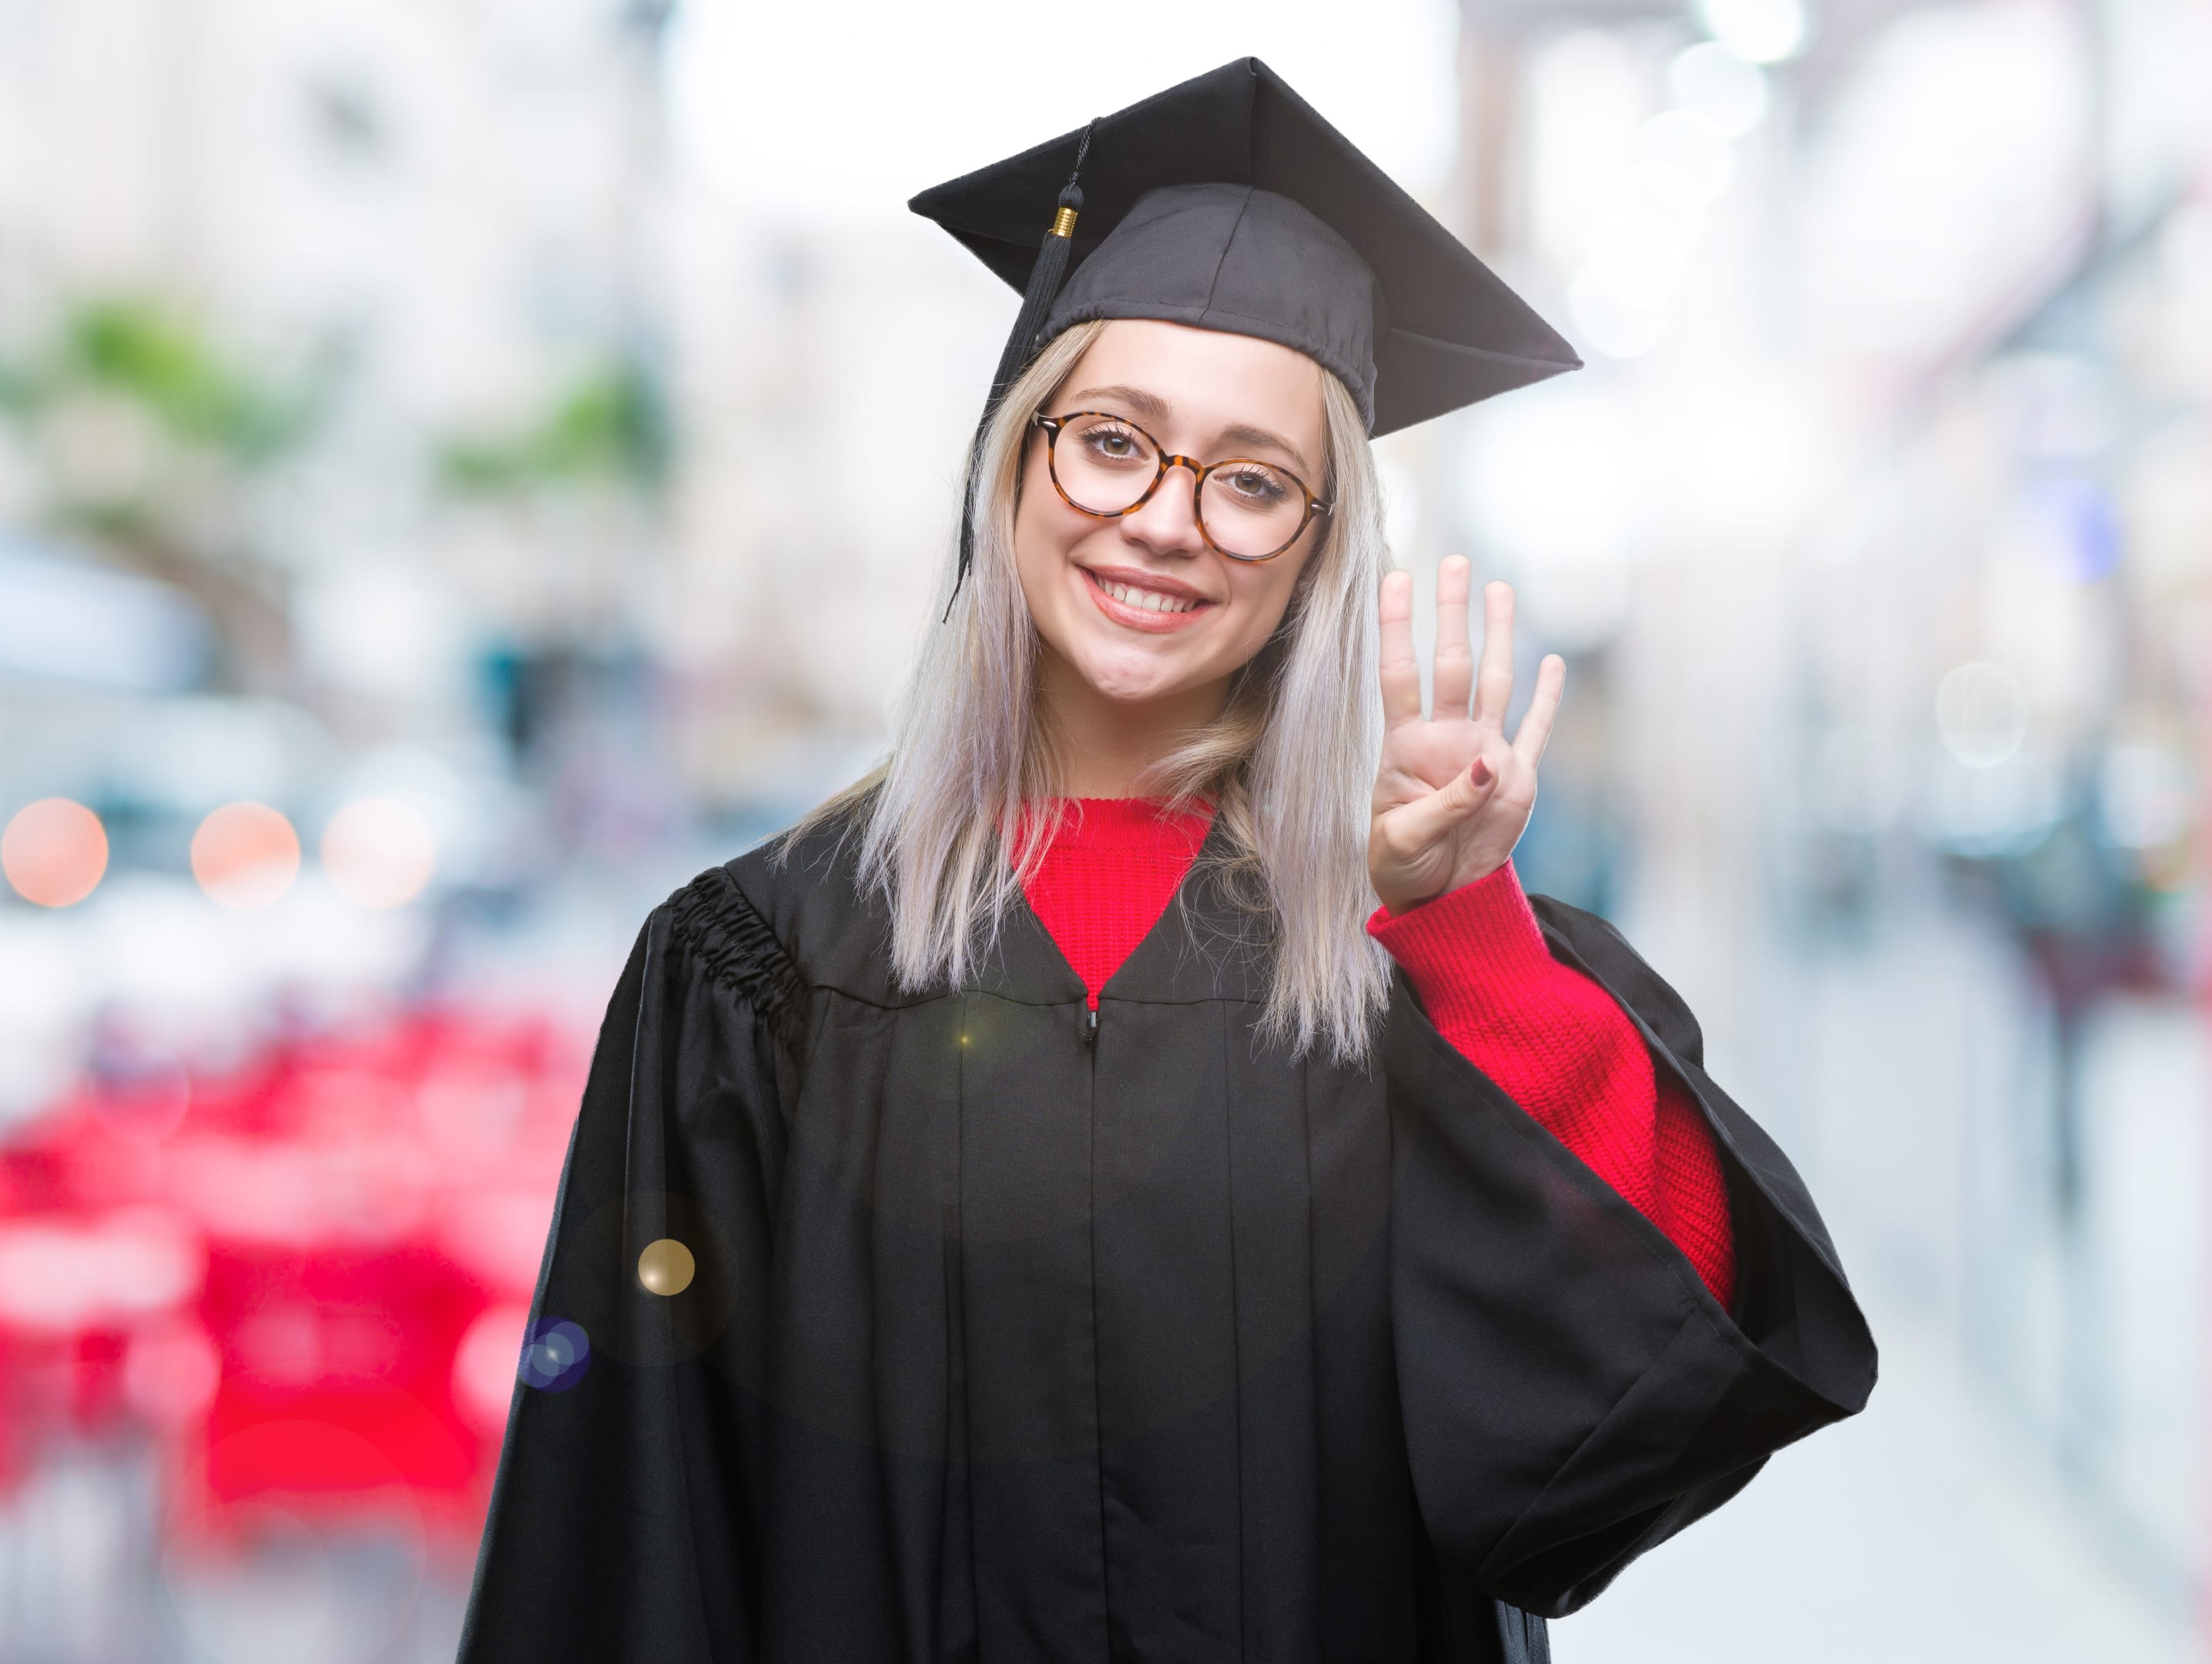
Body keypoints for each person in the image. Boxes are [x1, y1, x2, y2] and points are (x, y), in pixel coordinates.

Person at [457, 59, 1875, 1664]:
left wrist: (1464, 934)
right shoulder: (757, 967)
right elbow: (624, 1531)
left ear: (1321, 554)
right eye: (1112, 441)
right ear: (1014, 462)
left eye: (1254, 480)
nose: (1166, 518)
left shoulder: (1402, 949)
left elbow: (1644, 1403)